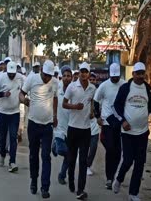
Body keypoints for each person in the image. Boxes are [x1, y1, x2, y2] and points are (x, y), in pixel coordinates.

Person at [112, 62, 151, 201]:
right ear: (133, 74)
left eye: (142, 73)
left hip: (143, 132)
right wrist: (123, 121)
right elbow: (116, 107)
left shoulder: (148, 88)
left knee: (140, 163)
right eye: (138, 73)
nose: (140, 76)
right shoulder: (125, 88)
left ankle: (133, 193)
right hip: (127, 132)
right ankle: (119, 178)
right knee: (127, 160)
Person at [19, 60, 58, 199]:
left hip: (47, 125)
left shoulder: (54, 82)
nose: (47, 78)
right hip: (34, 124)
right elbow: (21, 94)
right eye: (46, 75)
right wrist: (24, 101)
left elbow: (55, 98)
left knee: (46, 156)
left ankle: (45, 187)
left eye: (49, 76)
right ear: (41, 70)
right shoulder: (31, 78)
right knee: (33, 155)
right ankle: (34, 181)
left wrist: (55, 115)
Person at [63, 62, 96, 200]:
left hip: (86, 129)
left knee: (83, 161)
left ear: (89, 74)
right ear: (80, 73)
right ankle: (71, 179)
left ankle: (80, 190)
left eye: (86, 72)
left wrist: (92, 111)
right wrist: (75, 106)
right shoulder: (72, 86)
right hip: (73, 128)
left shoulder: (92, 88)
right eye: (81, 71)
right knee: (71, 158)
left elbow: (92, 102)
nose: (83, 74)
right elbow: (64, 103)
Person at [93, 63, 125, 189]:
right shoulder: (104, 86)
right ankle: (109, 177)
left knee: (118, 151)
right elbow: (96, 101)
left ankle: (114, 175)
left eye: (117, 77)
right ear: (109, 75)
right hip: (107, 121)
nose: (115, 79)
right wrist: (97, 117)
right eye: (113, 77)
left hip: (120, 121)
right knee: (110, 149)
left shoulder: (124, 84)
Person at [0, 61, 24, 172]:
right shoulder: (2, 78)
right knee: (2, 136)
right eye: (9, 74)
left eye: (13, 74)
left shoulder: (21, 78)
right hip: (2, 112)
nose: (11, 76)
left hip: (15, 113)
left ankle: (12, 161)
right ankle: (2, 154)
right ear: (7, 71)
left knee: (13, 137)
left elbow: (26, 89)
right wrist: (3, 94)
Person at [52, 66, 72, 185]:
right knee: (63, 150)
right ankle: (55, 146)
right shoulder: (57, 88)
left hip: (72, 126)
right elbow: (52, 102)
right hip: (59, 125)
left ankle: (62, 175)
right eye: (64, 75)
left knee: (69, 155)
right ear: (61, 77)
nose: (66, 78)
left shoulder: (75, 89)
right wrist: (53, 116)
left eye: (68, 76)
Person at [87, 72, 100, 176]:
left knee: (93, 147)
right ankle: (84, 165)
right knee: (84, 148)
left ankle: (88, 165)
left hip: (95, 125)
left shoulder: (99, 92)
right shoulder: (83, 91)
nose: (92, 81)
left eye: (93, 80)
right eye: (90, 79)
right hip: (84, 125)